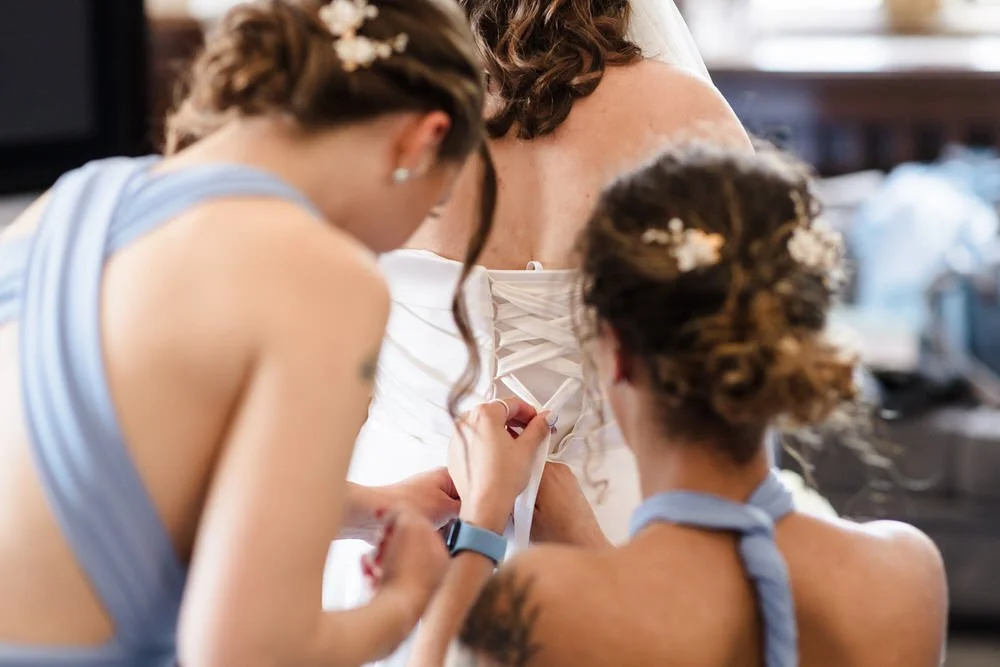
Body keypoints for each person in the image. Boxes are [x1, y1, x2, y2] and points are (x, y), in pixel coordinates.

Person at [0, 0, 494, 664]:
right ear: (419, 138)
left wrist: (372, 506)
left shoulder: (67, 200)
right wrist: (404, 597)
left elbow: (133, 466)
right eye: (433, 201)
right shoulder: (325, 274)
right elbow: (246, 653)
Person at [409, 146, 949, 667]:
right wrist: (591, 548)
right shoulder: (904, 572)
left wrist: (480, 521)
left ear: (615, 354)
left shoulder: (548, 605)